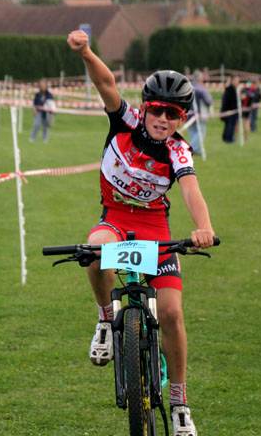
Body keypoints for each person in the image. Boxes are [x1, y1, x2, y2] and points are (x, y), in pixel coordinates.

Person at [68, 29, 215, 436]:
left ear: (182, 119)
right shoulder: (125, 120)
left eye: (174, 115)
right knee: (95, 250)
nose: (163, 120)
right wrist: (85, 52)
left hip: (155, 226)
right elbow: (105, 82)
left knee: (170, 312)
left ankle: (180, 401)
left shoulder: (178, 150)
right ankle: (104, 319)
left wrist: (203, 227)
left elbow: (191, 189)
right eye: (157, 111)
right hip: (115, 218)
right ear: (146, 108)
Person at [187, 70, 212, 156]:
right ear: (200, 78)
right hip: (199, 113)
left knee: (192, 132)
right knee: (201, 132)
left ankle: (196, 150)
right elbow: (208, 101)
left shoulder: (187, 87)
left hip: (188, 113)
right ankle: (189, 149)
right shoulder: (201, 89)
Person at [220, 75, 240, 143]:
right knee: (230, 126)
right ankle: (229, 139)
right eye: (236, 81)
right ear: (232, 81)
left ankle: (226, 138)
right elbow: (232, 100)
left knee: (228, 125)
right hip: (230, 111)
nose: (237, 82)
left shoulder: (230, 89)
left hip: (228, 110)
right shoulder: (230, 89)